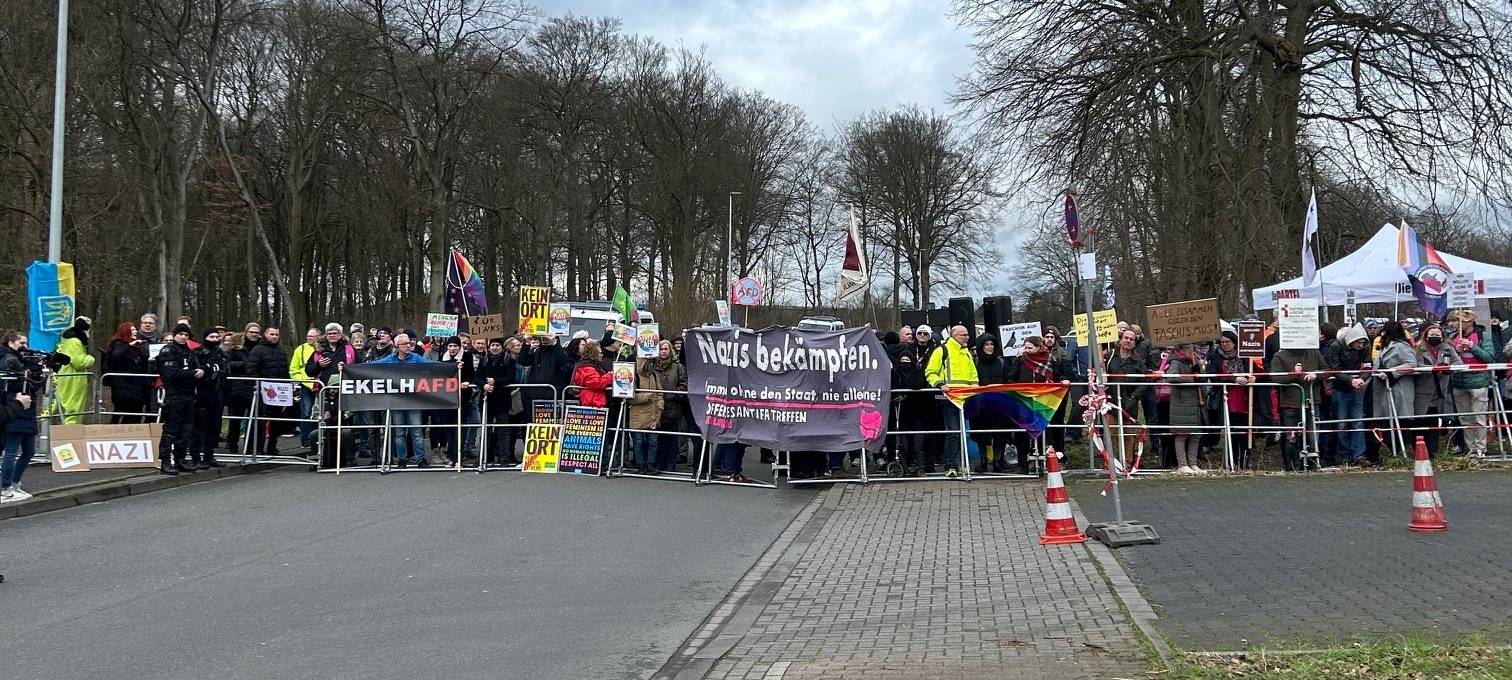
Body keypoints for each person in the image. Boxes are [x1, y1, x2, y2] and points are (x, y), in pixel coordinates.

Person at [1009, 335, 1073, 474]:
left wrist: (1064, 380)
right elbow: (1011, 377)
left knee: (1042, 432)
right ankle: (1023, 464)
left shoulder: (1050, 360)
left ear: (1038, 347)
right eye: (1025, 347)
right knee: (1023, 433)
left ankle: (1043, 463)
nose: (1026, 350)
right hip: (1024, 401)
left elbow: (1056, 375)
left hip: (1042, 402)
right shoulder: (1020, 360)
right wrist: (1018, 389)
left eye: (1030, 348)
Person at [373, 333, 438, 468]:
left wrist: (453, 366)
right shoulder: (389, 360)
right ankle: (402, 458)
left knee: (416, 431)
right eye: (405, 344)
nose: (409, 345)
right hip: (397, 402)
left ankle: (420, 459)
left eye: (409, 343)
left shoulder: (416, 358)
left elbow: (433, 365)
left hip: (414, 401)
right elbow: (371, 366)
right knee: (400, 432)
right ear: (397, 347)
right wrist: (347, 368)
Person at [925, 324, 978, 475]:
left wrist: (975, 389)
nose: (967, 337)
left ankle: (961, 463)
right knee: (953, 432)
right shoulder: (942, 351)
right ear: (955, 336)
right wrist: (940, 384)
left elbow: (973, 375)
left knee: (965, 433)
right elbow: (930, 371)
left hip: (965, 399)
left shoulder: (966, 353)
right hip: (948, 399)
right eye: (964, 335)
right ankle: (951, 465)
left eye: (967, 335)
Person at [1270, 332, 1326, 471]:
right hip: (1289, 403)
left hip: (1312, 401)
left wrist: (1316, 375)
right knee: (1291, 438)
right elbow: (1275, 378)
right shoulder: (1280, 356)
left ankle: (1312, 465)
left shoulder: (1314, 353)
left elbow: (1327, 370)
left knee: (1312, 436)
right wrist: (1293, 375)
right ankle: (1292, 467)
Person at [306, 323, 357, 467]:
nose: (332, 335)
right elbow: (308, 371)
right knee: (321, 425)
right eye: (329, 333)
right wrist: (318, 365)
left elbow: (360, 367)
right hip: (324, 391)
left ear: (341, 334)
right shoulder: (318, 351)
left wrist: (347, 368)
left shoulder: (349, 348)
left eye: (335, 333)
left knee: (346, 428)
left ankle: (348, 458)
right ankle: (320, 458)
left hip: (345, 391)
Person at [1447, 309, 1495, 458]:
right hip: (1458, 382)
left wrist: (1473, 347)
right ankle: (1471, 448)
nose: (1453, 324)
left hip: (1478, 381)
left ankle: (1481, 448)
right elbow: (1447, 359)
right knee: (1465, 418)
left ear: (1468, 322)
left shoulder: (1482, 336)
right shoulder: (1452, 337)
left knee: (1479, 417)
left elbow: (1489, 357)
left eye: (1456, 321)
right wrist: (1455, 351)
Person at [157, 324, 203, 475]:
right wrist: (191, 373)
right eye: (181, 334)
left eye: (186, 335)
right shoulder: (168, 351)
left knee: (186, 430)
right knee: (171, 430)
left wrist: (200, 372)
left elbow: (196, 369)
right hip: (174, 395)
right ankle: (165, 462)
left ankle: (180, 460)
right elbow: (171, 374)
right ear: (175, 335)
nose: (184, 337)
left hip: (189, 395)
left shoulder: (190, 353)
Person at [1324, 323, 1372, 466]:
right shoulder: (1336, 347)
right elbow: (1334, 369)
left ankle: (1359, 454)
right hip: (1339, 388)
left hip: (1356, 388)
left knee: (1358, 422)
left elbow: (1368, 366)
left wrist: (1360, 379)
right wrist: (1352, 380)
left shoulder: (1364, 349)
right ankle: (1345, 455)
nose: (1361, 345)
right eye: (1359, 342)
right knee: (1342, 423)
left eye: (1363, 342)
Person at [1205, 331, 1254, 469]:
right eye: (1222, 342)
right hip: (1225, 398)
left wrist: (1254, 377)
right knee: (1231, 431)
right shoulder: (1214, 357)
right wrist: (1233, 379)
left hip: (1244, 398)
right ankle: (1231, 462)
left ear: (1234, 342)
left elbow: (1256, 371)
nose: (1224, 344)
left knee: (1244, 432)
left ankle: (1244, 461)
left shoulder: (1245, 356)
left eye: (1227, 342)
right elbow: (1214, 376)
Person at [1, 331, 41, 500]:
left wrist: (36, 372)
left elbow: (34, 387)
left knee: (29, 451)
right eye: (22, 343)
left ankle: (15, 482)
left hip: (27, 410)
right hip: (13, 409)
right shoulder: (6, 359)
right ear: (11, 342)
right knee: (11, 451)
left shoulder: (26, 360)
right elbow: (9, 384)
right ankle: (5, 486)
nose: (26, 347)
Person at [886, 327, 932, 475]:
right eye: (903, 361)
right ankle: (903, 466)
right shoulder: (896, 373)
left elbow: (918, 383)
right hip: (901, 413)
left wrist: (905, 391)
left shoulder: (917, 372)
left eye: (908, 361)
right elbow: (892, 385)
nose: (905, 363)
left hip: (917, 412)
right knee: (903, 442)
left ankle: (920, 466)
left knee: (918, 442)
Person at [1369, 321, 1418, 456]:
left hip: (1399, 388)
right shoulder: (1384, 347)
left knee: (1400, 421)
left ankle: (1402, 451)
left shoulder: (1402, 347)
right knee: (1387, 422)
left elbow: (1411, 363)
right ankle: (1395, 451)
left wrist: (1391, 373)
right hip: (1385, 388)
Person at [1162, 342, 1207, 474]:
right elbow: (1170, 377)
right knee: (1181, 434)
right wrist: (1190, 378)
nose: (1190, 350)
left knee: (1196, 434)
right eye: (1187, 348)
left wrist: (1201, 370)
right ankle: (1182, 464)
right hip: (1182, 401)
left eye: (1191, 347)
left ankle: (1193, 463)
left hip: (1196, 401)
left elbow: (1203, 378)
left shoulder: (1196, 359)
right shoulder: (1176, 361)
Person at [247, 325, 290, 456]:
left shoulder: (281, 351)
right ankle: (255, 448)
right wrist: (259, 384)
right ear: (266, 334)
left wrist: (288, 386)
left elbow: (285, 371)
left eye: (276, 334)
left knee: (277, 421)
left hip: (279, 391)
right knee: (260, 420)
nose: (274, 337)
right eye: (272, 334)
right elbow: (251, 368)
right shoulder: (258, 349)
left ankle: (272, 446)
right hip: (263, 390)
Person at [971, 333, 1011, 473]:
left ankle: (997, 461)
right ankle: (983, 461)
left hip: (999, 406)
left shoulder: (1002, 362)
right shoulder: (974, 362)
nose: (989, 347)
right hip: (981, 406)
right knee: (982, 435)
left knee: (1000, 435)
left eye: (992, 344)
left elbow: (1009, 381)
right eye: (986, 344)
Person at [191, 327, 229, 469]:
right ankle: (196, 457)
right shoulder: (198, 352)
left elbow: (225, 370)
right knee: (200, 424)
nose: (214, 340)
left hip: (217, 391)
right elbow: (197, 371)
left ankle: (209, 455)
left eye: (216, 337)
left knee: (214, 425)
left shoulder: (221, 353)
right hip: (201, 392)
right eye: (211, 337)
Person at [104, 321, 152, 424]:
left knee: (135, 413)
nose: (136, 331)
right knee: (120, 412)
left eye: (135, 329)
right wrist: (129, 345)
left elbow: (145, 359)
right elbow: (116, 356)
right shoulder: (118, 344)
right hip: (123, 387)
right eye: (133, 330)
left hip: (137, 387)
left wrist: (143, 347)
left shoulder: (138, 346)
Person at [650, 340, 687, 472]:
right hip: (657, 406)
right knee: (658, 438)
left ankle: (671, 463)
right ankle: (659, 462)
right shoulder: (653, 366)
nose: (664, 351)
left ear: (670, 350)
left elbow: (684, 383)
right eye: (661, 349)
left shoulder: (678, 367)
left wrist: (675, 394)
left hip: (673, 406)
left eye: (666, 349)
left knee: (671, 438)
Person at [481, 338, 519, 466]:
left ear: (502, 347)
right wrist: (484, 385)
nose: (495, 348)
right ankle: (486, 456)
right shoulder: (485, 359)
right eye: (492, 345)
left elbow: (511, 378)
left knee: (503, 430)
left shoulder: (508, 360)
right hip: (487, 399)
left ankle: (504, 458)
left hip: (502, 399)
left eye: (497, 345)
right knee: (486, 429)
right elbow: (477, 377)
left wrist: (495, 381)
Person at [627, 357, 664, 474]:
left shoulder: (654, 375)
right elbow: (628, 396)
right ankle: (640, 465)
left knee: (653, 442)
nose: (652, 364)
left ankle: (650, 465)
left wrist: (660, 404)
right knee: (638, 442)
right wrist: (644, 397)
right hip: (638, 414)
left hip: (654, 413)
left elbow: (660, 392)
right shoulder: (635, 375)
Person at [53, 316, 93, 424]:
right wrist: (90, 358)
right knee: (73, 409)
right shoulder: (75, 342)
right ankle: (71, 436)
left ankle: (44, 431)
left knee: (54, 406)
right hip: (73, 379)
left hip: (64, 377)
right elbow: (79, 363)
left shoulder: (67, 340)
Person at [289, 328, 321, 451]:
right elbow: (294, 369)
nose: (309, 338)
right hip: (307, 385)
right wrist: (304, 380)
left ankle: (318, 439)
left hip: (321, 385)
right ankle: (306, 440)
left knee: (319, 413)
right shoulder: (300, 349)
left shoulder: (323, 348)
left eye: (312, 336)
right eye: (308, 336)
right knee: (306, 413)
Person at [570, 341, 614, 408]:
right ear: (594, 354)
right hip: (592, 402)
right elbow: (597, 383)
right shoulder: (588, 368)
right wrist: (609, 376)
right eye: (600, 353)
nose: (602, 355)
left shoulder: (590, 366)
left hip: (593, 401)